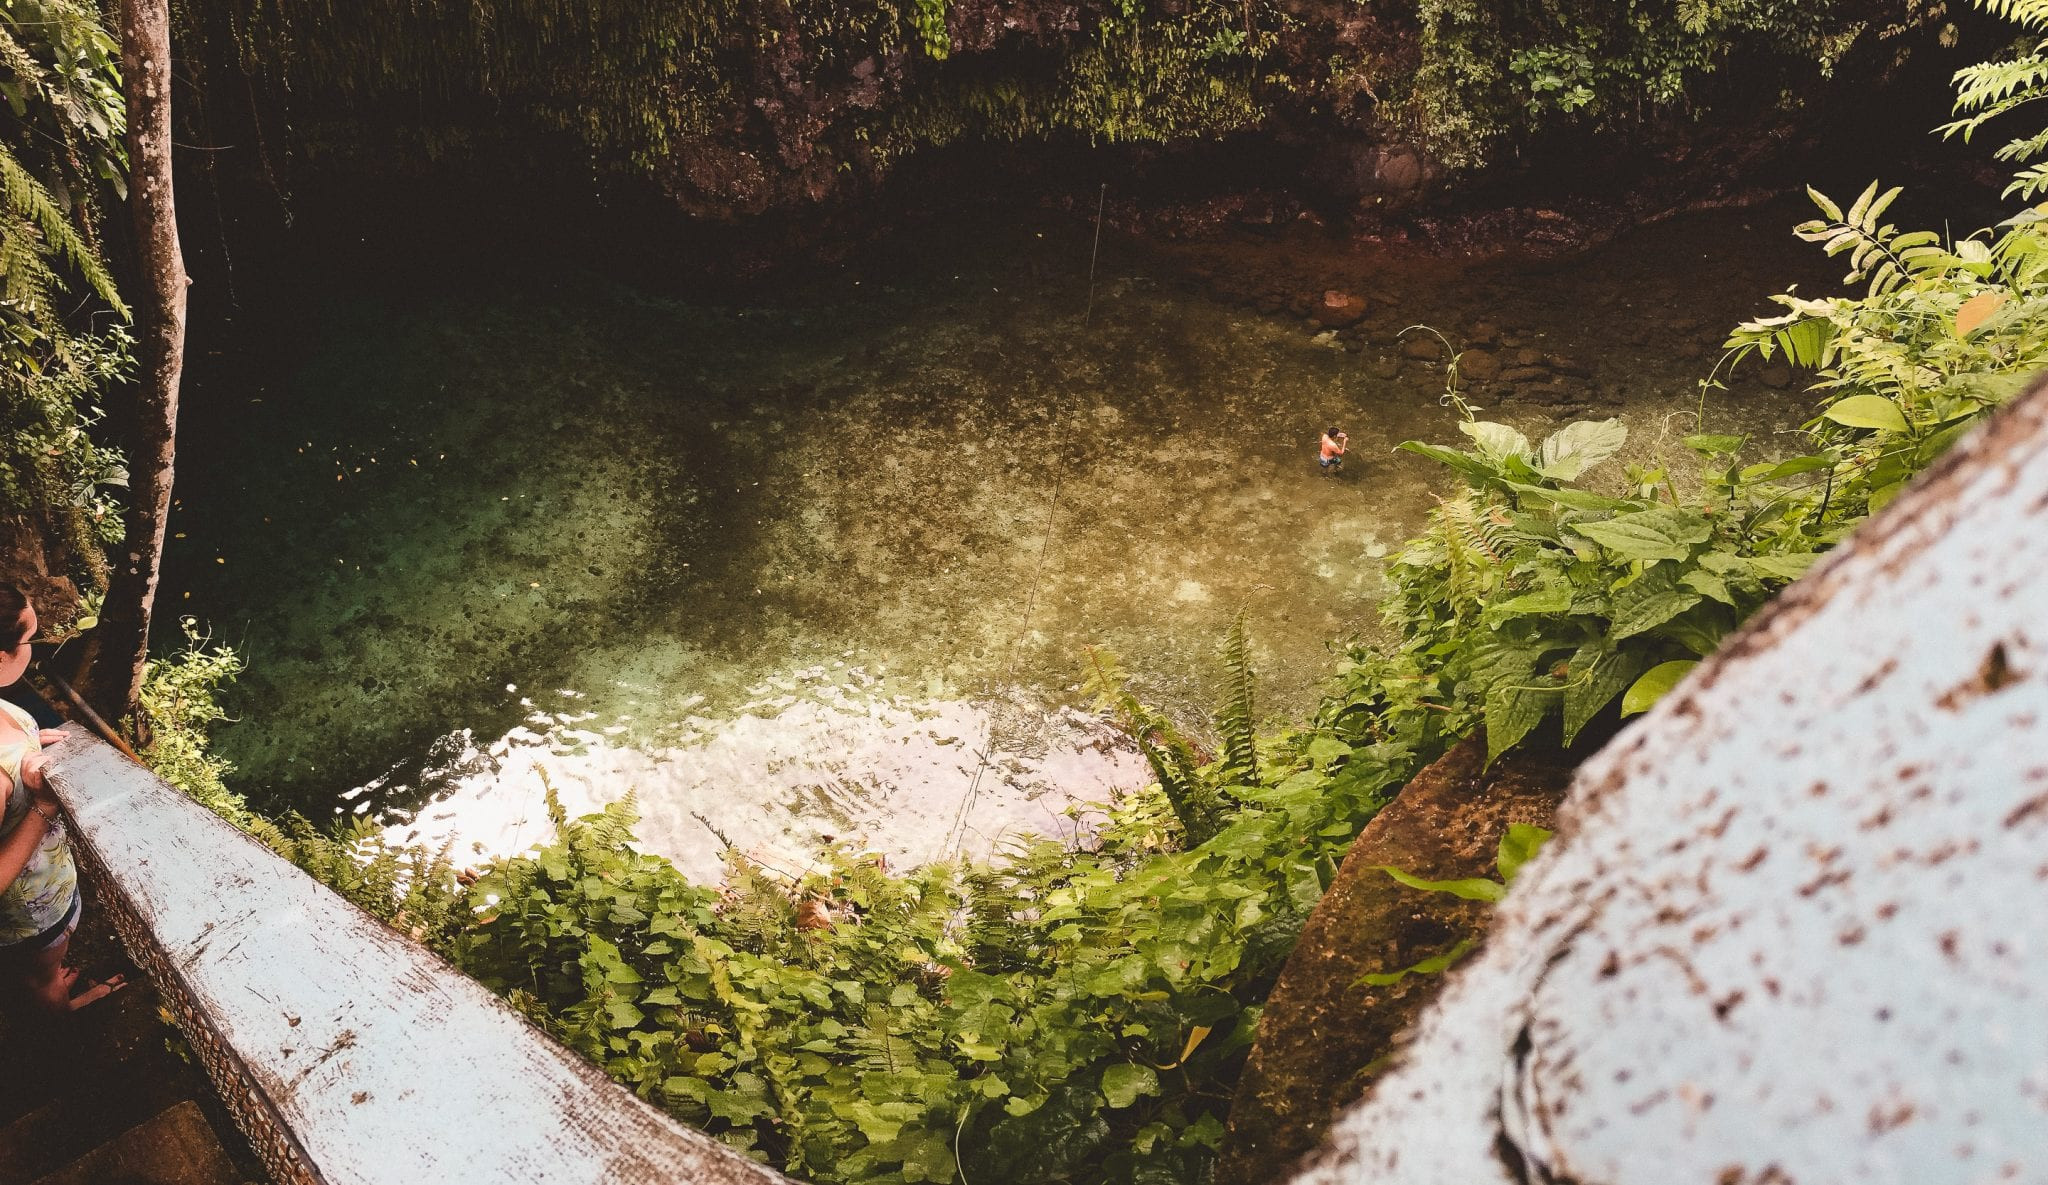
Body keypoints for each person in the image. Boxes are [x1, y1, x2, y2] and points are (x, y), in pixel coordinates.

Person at [0, 582, 120, 1011]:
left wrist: (30, 741)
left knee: (43, 960)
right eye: (30, 638)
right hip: (31, 908)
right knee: (41, 976)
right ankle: (58, 1015)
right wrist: (44, 806)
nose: (35, 647)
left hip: (42, 888)